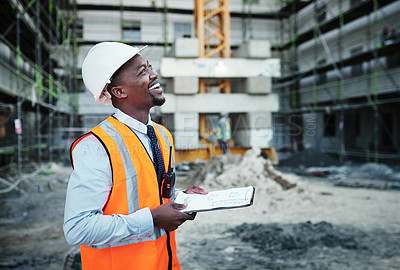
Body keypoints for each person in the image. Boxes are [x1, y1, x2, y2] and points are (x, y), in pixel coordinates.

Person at [63, 42, 207, 270]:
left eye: (150, 67)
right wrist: (152, 219)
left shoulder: (162, 135)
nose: (154, 73)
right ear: (119, 92)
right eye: (143, 71)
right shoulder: (97, 146)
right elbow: (78, 228)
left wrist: (182, 199)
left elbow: (150, 195)